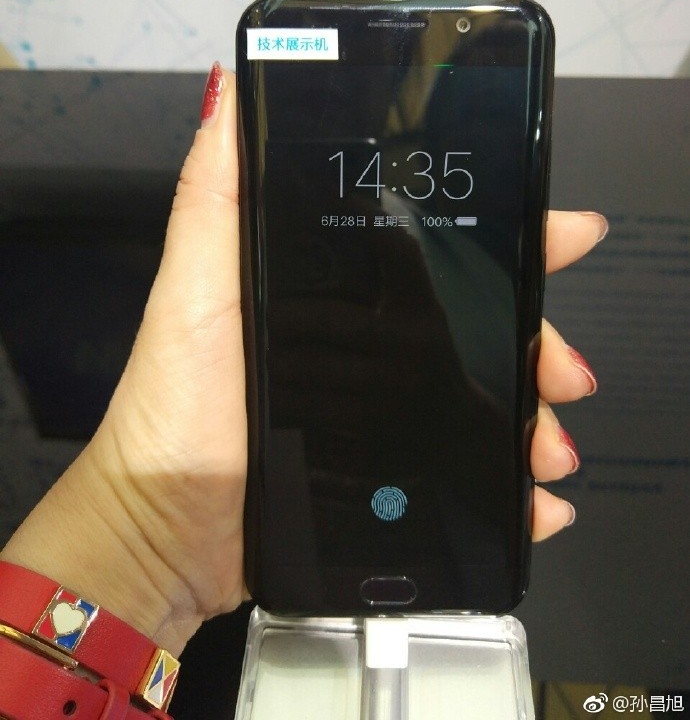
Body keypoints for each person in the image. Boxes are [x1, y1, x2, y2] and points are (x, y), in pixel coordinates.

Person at [0, 66, 606, 715]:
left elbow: (430, 375)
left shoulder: (418, 244)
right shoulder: (332, 228)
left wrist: (455, 399)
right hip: (306, 519)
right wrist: (144, 540)